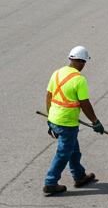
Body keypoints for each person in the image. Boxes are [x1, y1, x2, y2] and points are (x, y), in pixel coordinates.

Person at [43, 46, 104, 195]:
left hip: (54, 118)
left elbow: (49, 96)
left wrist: (50, 120)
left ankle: (79, 176)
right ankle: (50, 182)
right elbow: (85, 104)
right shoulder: (79, 80)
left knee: (73, 150)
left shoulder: (56, 73)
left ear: (70, 59)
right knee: (63, 153)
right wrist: (95, 121)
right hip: (67, 123)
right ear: (82, 62)